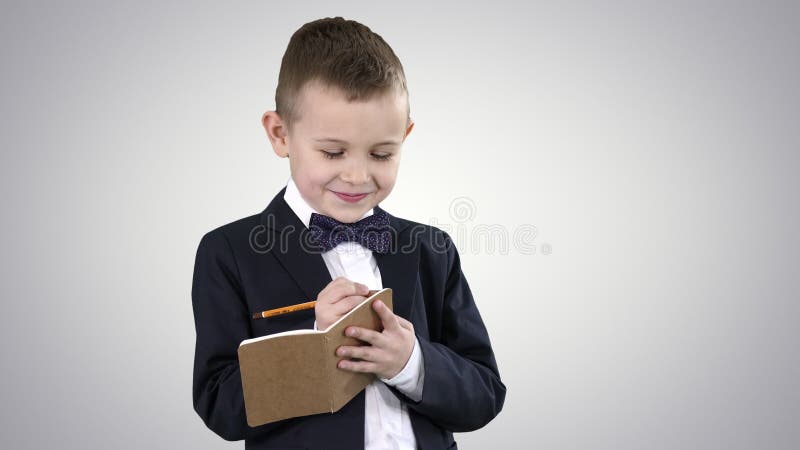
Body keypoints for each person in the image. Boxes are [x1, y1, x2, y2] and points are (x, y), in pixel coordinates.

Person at [191, 16, 506, 450]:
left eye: (381, 153)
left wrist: (411, 362)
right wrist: (314, 352)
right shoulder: (227, 251)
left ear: (405, 137)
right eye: (332, 152)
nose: (357, 176)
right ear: (280, 133)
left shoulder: (432, 249)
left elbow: (485, 394)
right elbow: (219, 406)